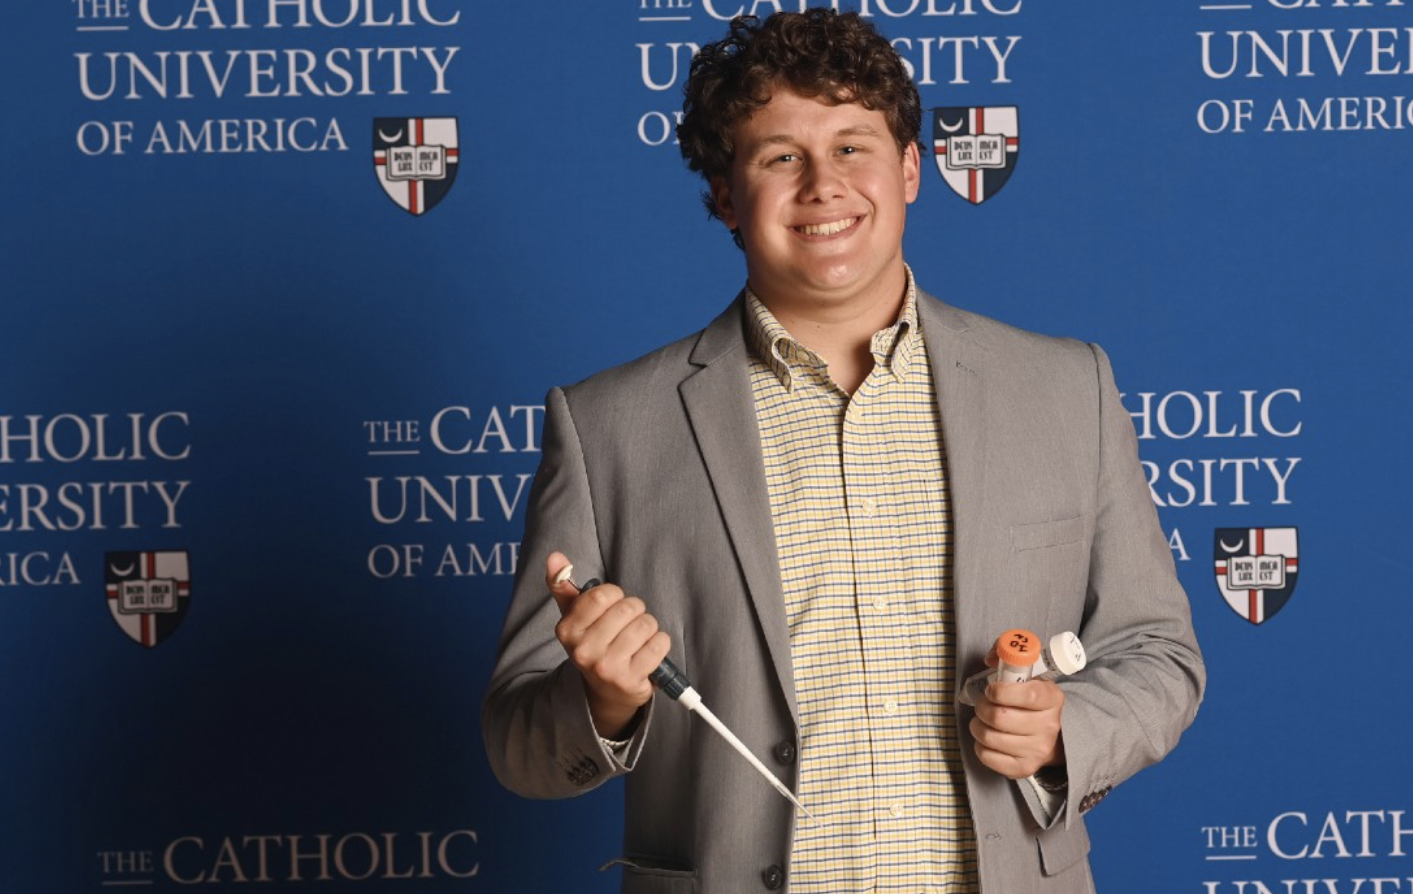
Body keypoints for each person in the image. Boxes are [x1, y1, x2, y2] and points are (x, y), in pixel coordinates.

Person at [482, 10, 1204, 893]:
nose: (824, 183)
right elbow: (519, 743)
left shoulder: (1065, 389)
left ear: (910, 169)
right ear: (724, 195)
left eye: (854, 147)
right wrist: (602, 701)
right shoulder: (607, 427)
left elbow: (1160, 654)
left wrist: (1067, 733)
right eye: (780, 156)